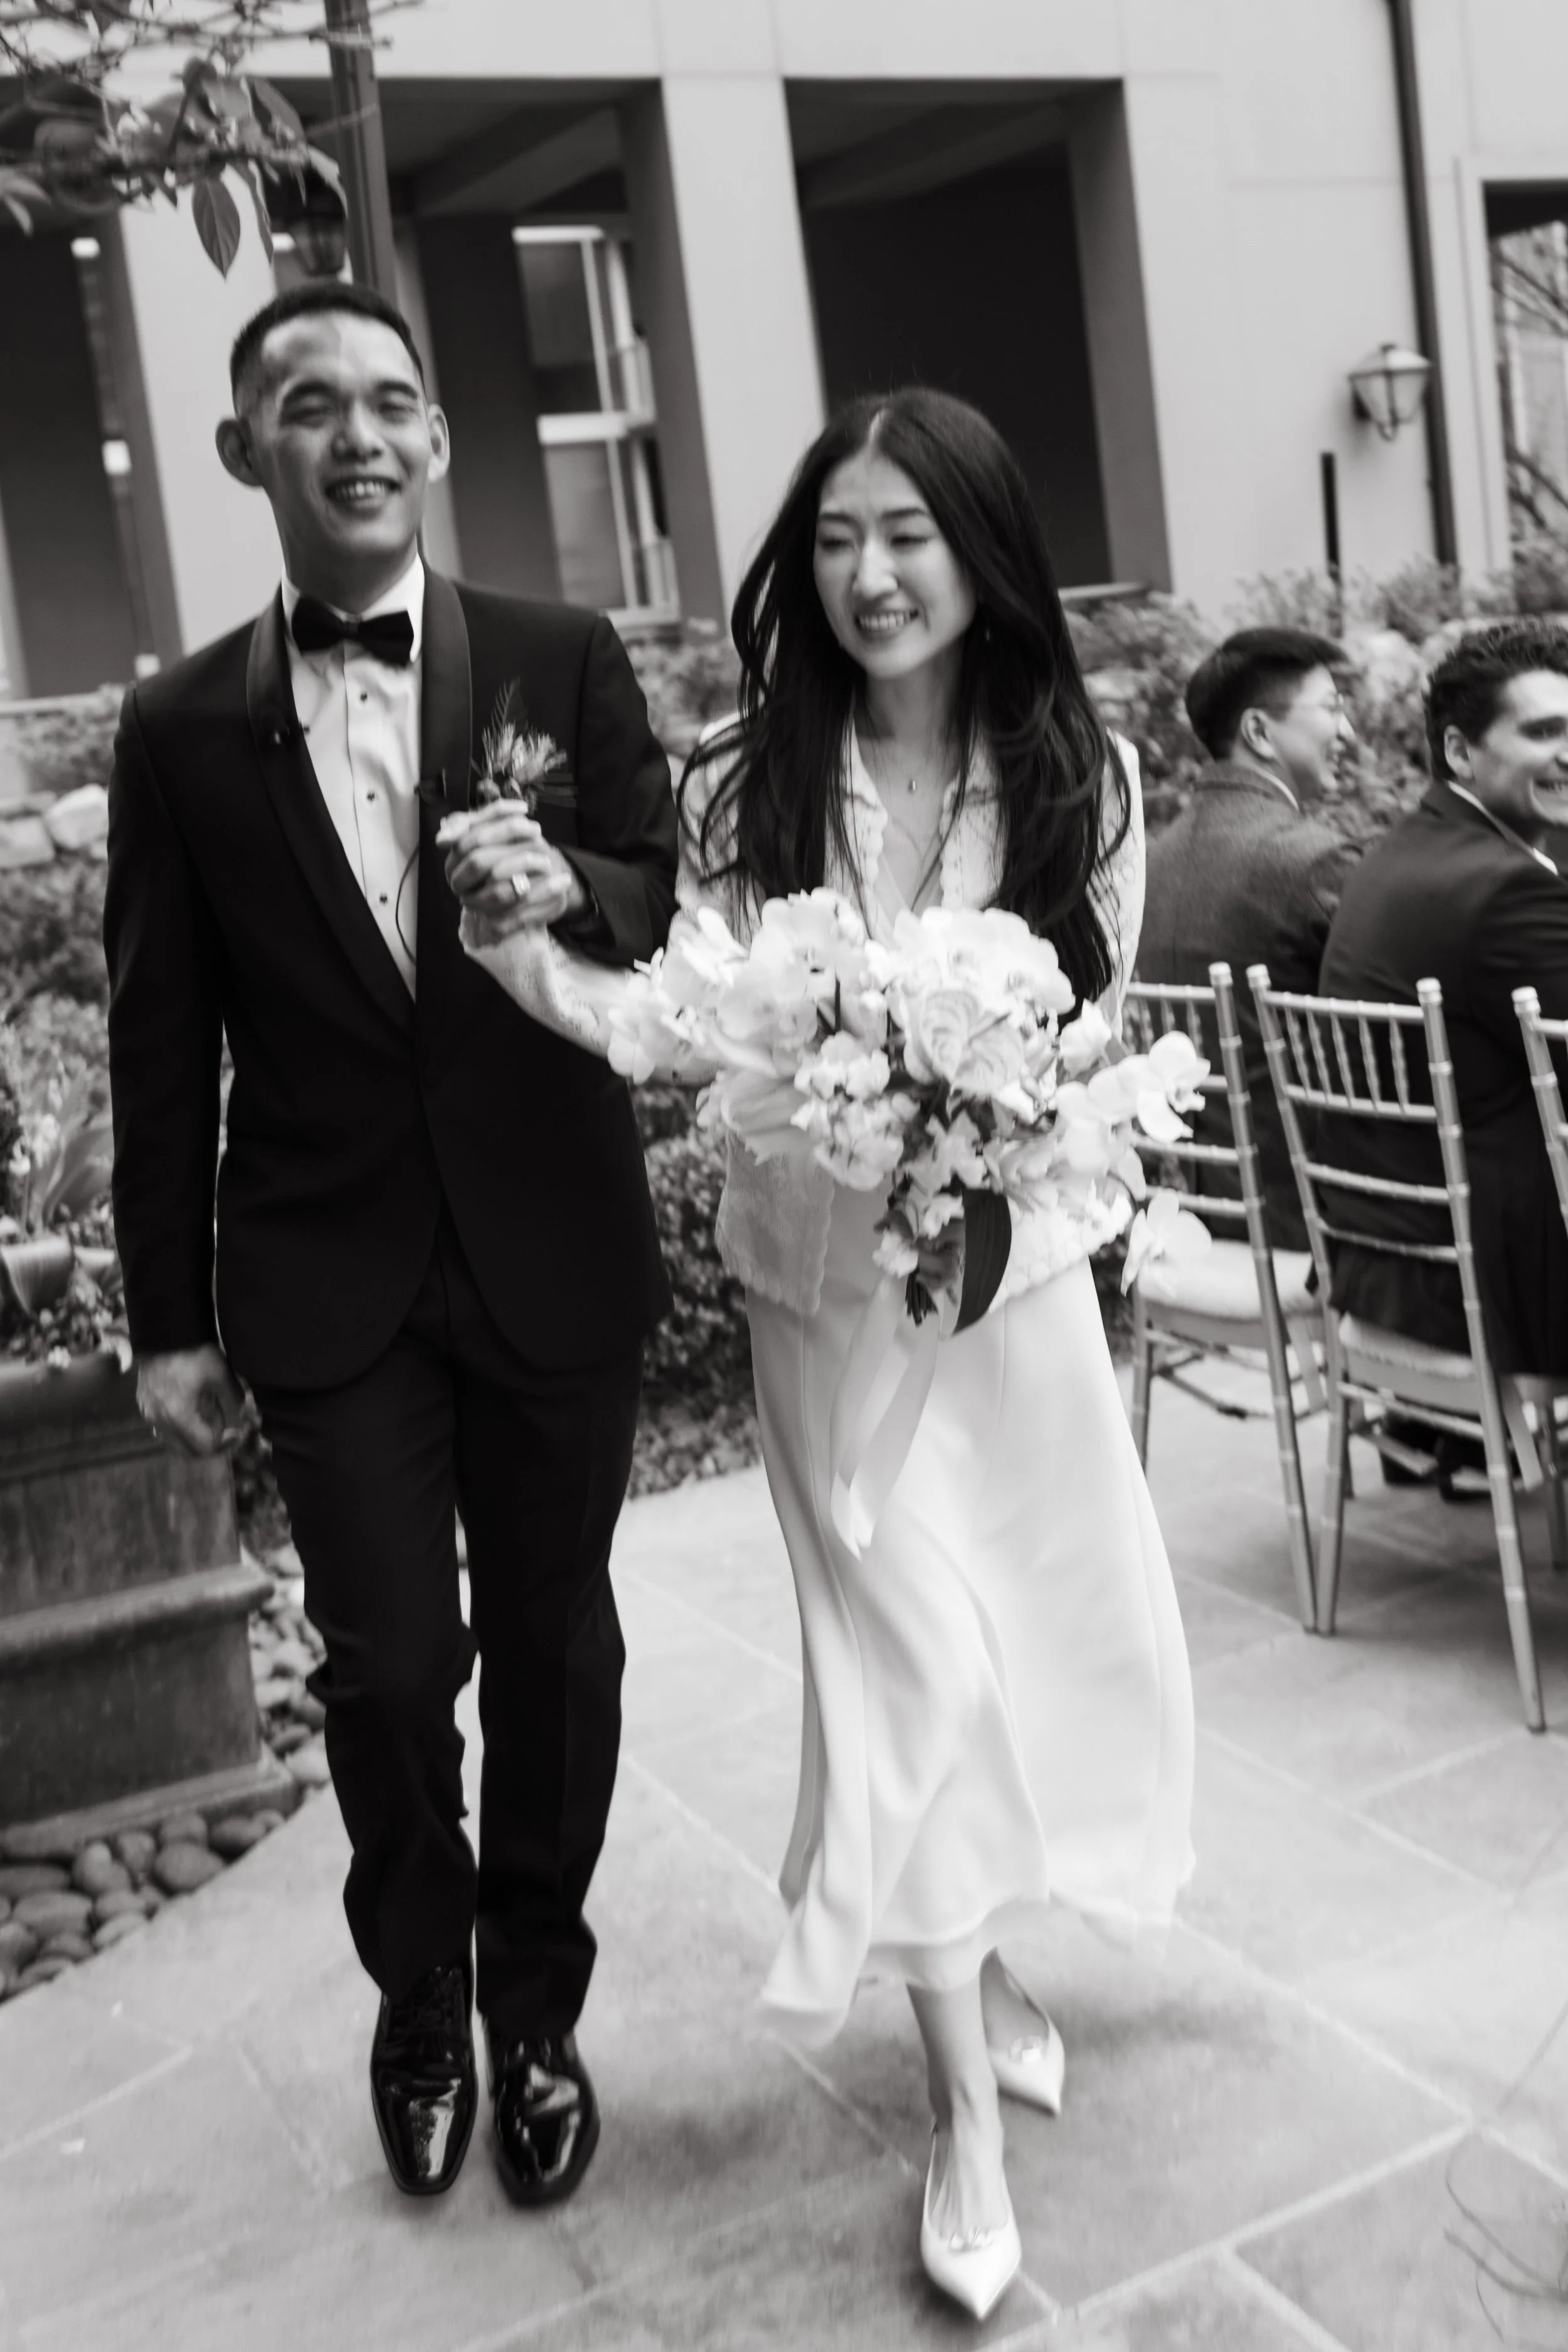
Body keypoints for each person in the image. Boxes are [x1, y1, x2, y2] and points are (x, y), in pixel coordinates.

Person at [453, 388, 1194, 2321]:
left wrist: (989, 1106)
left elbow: (1086, 1039)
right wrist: (524, 955)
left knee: (1017, 1662)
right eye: (839, 538)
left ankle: (985, 1957)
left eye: (909, 537)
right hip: (815, 1303)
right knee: (898, 1675)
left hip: (1007, 1304)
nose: (870, 577)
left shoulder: (1078, 774)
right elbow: (684, 1022)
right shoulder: (741, 784)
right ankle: (955, 2110)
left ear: (981, 552)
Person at [103, 282, 676, 2206]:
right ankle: (414, 1996)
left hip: (547, 1243)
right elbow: (158, 1023)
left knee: (556, 1648)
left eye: (390, 402)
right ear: (243, 452)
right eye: (308, 405)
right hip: (322, 1269)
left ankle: (536, 2006)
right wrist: (168, 1316)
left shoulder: (555, 650)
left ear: (434, 440)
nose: (356, 432)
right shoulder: (181, 723)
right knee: (380, 1667)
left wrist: (566, 881)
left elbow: (659, 898)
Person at [1318, 617, 1568, 1380]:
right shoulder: (1506, 888)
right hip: (1492, 1285)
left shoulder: (1402, 853)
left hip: (1389, 1262)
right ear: (1459, 750)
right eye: (1544, 731)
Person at [1138, 628, 1357, 1248]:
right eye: (1333, 709)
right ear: (1259, 733)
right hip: (1311, 1220)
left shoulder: (1147, 864)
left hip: (1180, 1224)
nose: (1349, 734)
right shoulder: (1313, 862)